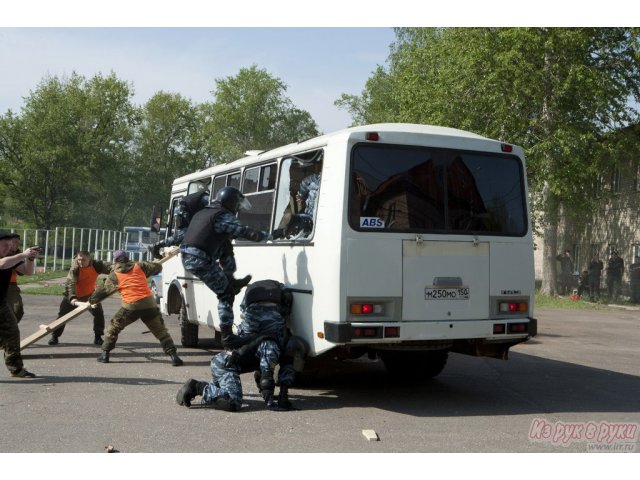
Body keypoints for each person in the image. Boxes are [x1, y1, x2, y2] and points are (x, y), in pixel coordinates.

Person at [176, 279, 306, 412]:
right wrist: (271, 402)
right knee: (232, 402)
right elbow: (266, 375)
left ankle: (215, 389)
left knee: (232, 391)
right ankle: (196, 387)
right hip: (225, 366)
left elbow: (277, 369)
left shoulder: (285, 340)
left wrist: (284, 397)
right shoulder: (268, 343)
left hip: (237, 362)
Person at [179, 186, 269, 347]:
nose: (237, 208)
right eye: (237, 204)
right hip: (200, 259)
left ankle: (231, 280)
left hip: (188, 256)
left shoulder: (203, 212)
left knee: (226, 245)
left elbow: (221, 236)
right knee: (226, 295)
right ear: (231, 203)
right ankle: (228, 338)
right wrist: (268, 235)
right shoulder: (222, 215)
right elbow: (242, 231)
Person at [89, 250, 183, 366]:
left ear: (115, 261)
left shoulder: (114, 274)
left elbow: (104, 291)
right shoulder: (140, 265)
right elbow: (157, 267)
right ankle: (174, 356)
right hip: (149, 304)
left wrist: (92, 300)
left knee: (114, 327)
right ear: (127, 257)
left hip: (131, 306)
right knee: (160, 331)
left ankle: (105, 354)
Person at [47, 250, 111, 346]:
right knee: (62, 316)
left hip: (90, 295)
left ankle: (98, 337)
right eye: (79, 259)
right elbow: (70, 284)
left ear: (89, 259)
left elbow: (113, 268)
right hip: (73, 296)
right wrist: (72, 298)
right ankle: (55, 336)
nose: (81, 262)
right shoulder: (75, 268)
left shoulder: (97, 265)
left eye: (83, 260)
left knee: (99, 314)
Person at [0, 232, 41, 378]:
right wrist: (23, 255)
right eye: (5, 245)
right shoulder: (6, 260)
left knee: (12, 333)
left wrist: (30, 259)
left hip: (1, 303)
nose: (8, 248)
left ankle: (16, 368)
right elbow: (2, 265)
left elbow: (27, 271)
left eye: (10, 245)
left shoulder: (10, 258)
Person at [149, 189, 210, 259]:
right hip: (183, 210)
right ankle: (157, 246)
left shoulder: (209, 199)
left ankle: (158, 245)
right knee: (187, 233)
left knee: (188, 233)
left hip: (185, 210)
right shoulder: (208, 199)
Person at [6, 234, 24, 323]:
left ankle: (9, 327)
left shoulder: (18, 254)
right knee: (9, 312)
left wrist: (29, 258)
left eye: (18, 243)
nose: (17, 245)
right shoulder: (4, 253)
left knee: (19, 311)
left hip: (13, 286)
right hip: (6, 286)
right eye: (14, 242)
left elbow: (21, 272)